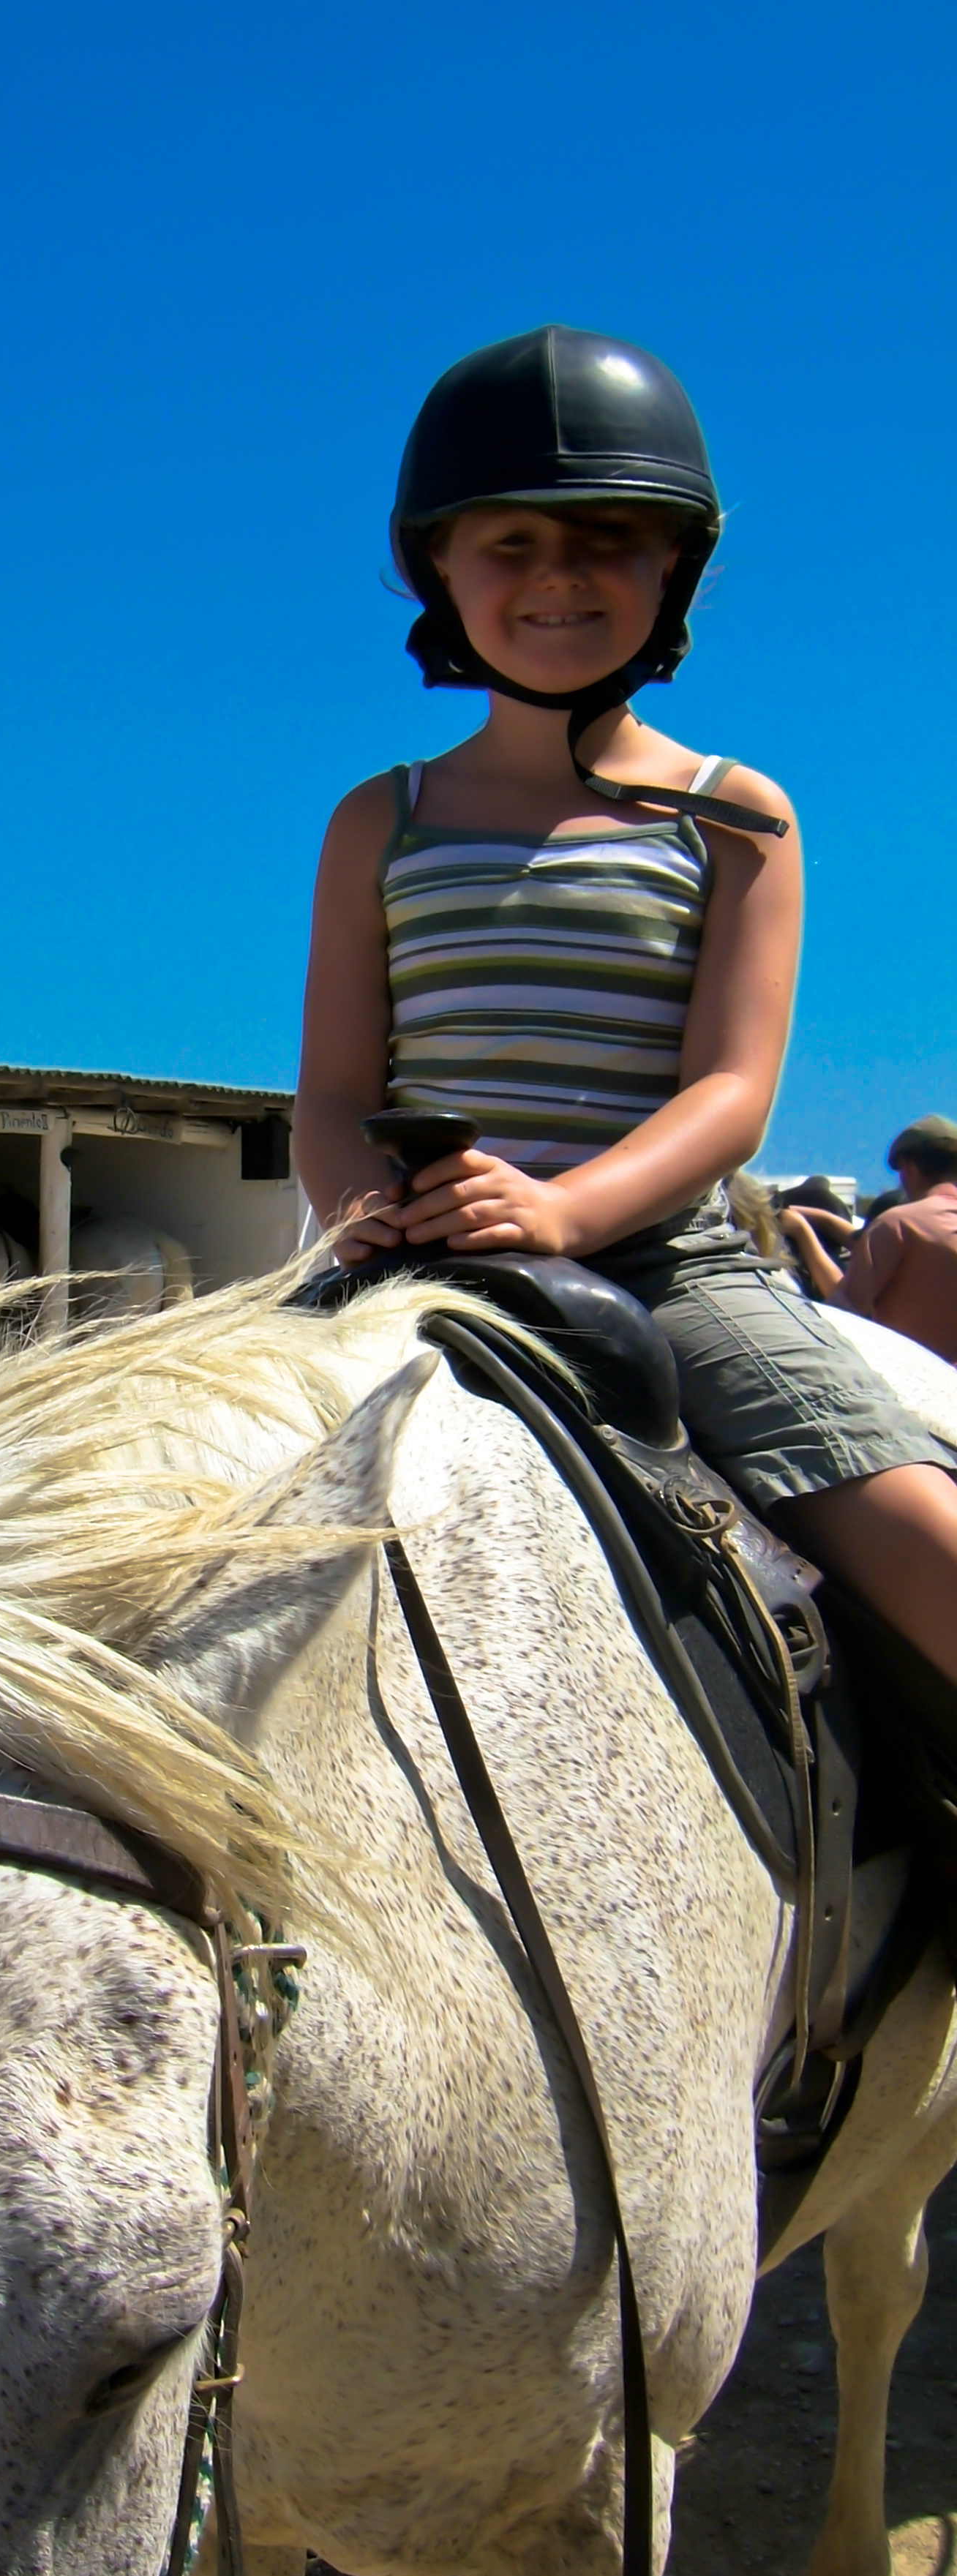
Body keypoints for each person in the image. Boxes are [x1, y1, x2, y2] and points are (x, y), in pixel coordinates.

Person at [295, 327, 957, 1683]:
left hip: (662, 1262)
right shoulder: (382, 816)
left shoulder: (734, 812)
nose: (561, 576)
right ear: (439, 567)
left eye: (608, 537)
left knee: (927, 1553)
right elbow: (332, 1083)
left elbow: (731, 1090)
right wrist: (371, 1219)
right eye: (513, 543)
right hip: (399, 1254)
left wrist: (561, 1213)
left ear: (676, 566)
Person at [784, 1118, 957, 1366]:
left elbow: (848, 1310)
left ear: (908, 1168)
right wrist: (826, 1220)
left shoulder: (899, 1223)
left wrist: (802, 1231)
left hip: (919, 1376)